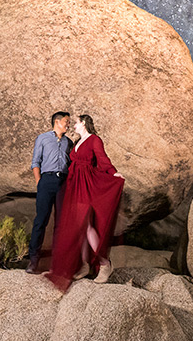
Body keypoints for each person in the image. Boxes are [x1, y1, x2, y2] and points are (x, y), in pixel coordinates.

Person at [45, 114, 125, 291]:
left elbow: (103, 160)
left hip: (87, 185)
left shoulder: (94, 140)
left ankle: (104, 263)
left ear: (84, 123)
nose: (74, 125)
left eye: (76, 122)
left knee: (87, 226)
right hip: (74, 186)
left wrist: (113, 173)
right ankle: (83, 265)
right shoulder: (77, 142)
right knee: (78, 226)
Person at [26, 111, 73, 274]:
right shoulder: (43, 138)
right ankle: (33, 261)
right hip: (47, 180)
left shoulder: (69, 142)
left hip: (63, 183)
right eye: (67, 121)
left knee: (61, 224)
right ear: (57, 121)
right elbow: (35, 162)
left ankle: (57, 263)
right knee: (41, 221)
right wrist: (40, 183)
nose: (69, 124)